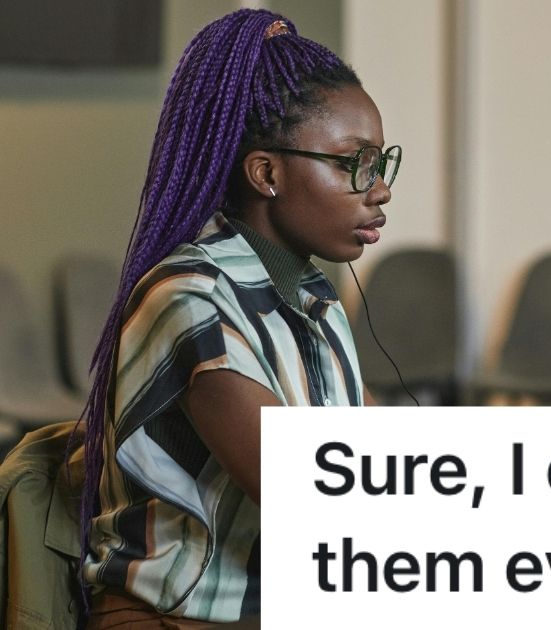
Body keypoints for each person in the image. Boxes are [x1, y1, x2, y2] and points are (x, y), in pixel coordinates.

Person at [74, 9, 397, 626]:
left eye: (382, 164)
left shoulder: (309, 298)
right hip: (177, 619)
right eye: (354, 163)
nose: (378, 189)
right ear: (267, 173)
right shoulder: (190, 299)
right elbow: (313, 493)